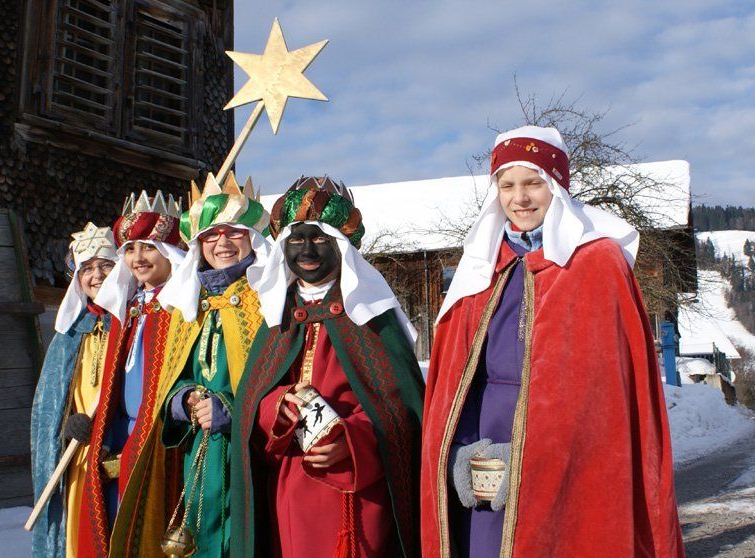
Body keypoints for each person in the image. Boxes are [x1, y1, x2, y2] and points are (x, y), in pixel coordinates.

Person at [420, 126, 683, 557]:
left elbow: (604, 397)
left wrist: (533, 457)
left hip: (568, 453)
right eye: (507, 185)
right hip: (482, 446)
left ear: (557, 186)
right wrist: (459, 449)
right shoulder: (480, 266)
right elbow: (456, 379)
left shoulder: (596, 262)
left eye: (533, 183)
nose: (519, 198)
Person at [231, 176, 424, 558]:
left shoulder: (371, 315)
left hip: (359, 491)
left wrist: (353, 439)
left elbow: (404, 410)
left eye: (319, 239)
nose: (307, 250)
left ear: (340, 245)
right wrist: (277, 407)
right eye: (296, 240)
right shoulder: (277, 318)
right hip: (289, 485)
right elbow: (251, 404)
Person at [144, 171, 271, 557]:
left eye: (233, 232)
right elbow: (174, 375)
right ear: (198, 243)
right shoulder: (190, 304)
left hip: (255, 452)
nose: (223, 243)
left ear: (252, 238)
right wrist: (183, 401)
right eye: (211, 235)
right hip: (200, 450)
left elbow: (281, 378)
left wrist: (233, 409)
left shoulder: (269, 298)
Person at [77, 191, 187, 557]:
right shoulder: (127, 309)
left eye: (149, 248)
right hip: (118, 435)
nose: (137, 258)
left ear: (171, 252)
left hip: (162, 436)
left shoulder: (182, 308)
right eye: (130, 249)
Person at [31, 222, 117, 558]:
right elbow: (50, 405)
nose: (96, 275)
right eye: (87, 269)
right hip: (80, 455)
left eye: (105, 265)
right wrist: (67, 426)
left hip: (122, 449)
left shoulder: (135, 322)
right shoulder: (69, 333)